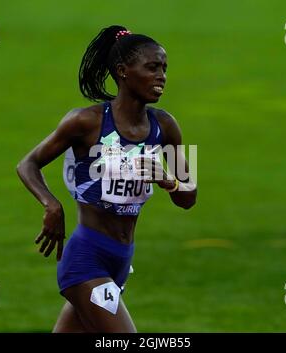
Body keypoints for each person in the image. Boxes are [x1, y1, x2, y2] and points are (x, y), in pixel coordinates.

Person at [16, 25, 197, 333]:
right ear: (123, 71)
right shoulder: (86, 121)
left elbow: (189, 198)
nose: (162, 76)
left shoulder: (166, 127)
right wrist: (52, 205)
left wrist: (169, 181)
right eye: (152, 67)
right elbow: (28, 163)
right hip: (86, 259)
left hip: (121, 260)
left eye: (164, 68)